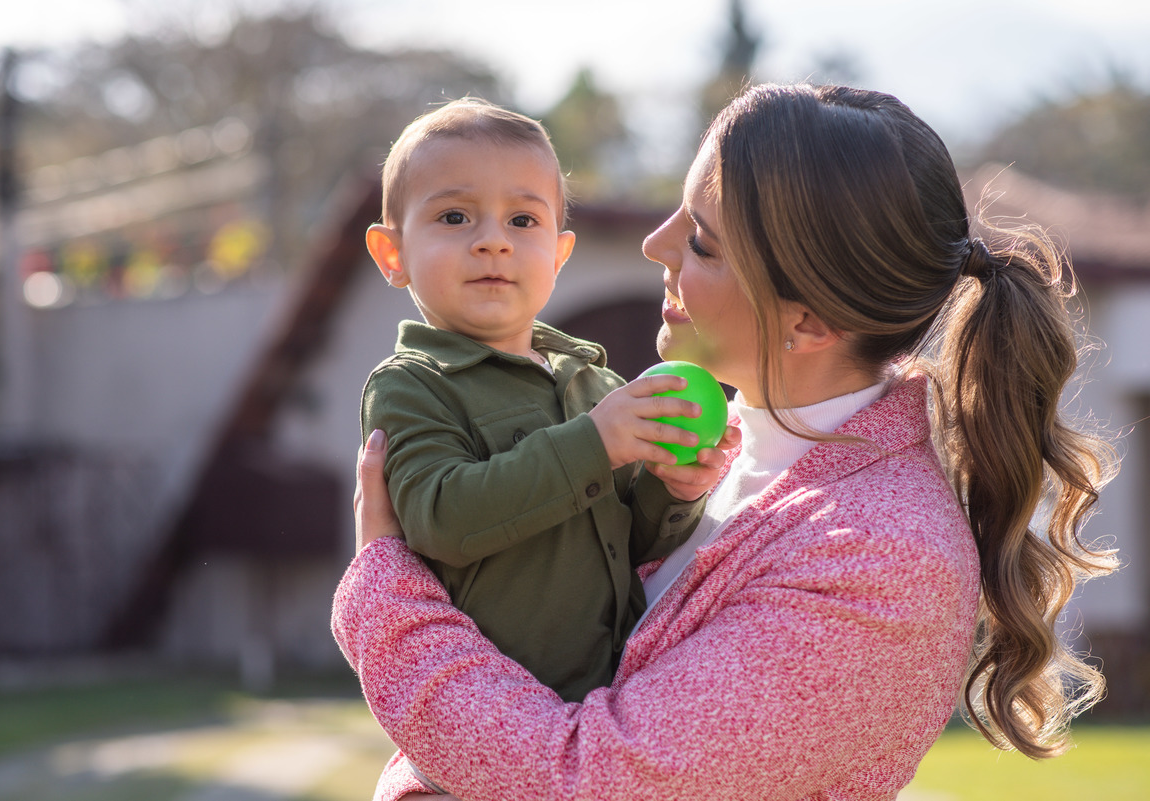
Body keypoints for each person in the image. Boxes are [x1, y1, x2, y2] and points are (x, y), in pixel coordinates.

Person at [334, 83, 1118, 801]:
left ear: (809, 320)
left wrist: (387, 591)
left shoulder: (880, 558)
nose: (655, 244)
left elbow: (587, 780)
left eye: (702, 242)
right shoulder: (717, 438)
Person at [359, 97, 732, 716]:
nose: (493, 243)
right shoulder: (411, 385)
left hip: (611, 714)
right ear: (392, 256)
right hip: (487, 720)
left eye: (523, 222)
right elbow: (443, 521)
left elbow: (630, 544)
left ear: (558, 256)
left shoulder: (595, 384)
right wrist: (594, 444)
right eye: (454, 216)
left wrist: (675, 493)